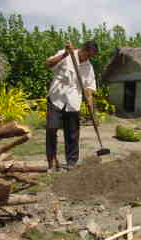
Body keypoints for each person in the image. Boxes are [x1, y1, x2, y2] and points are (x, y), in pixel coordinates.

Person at [45, 40, 98, 170]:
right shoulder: (65, 54)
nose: (89, 58)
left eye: (91, 56)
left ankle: (71, 162)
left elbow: (89, 87)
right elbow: (48, 64)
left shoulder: (88, 67)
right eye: (88, 54)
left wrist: (90, 103)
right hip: (56, 98)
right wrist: (65, 55)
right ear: (83, 49)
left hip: (73, 102)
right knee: (51, 129)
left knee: (72, 134)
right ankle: (51, 160)